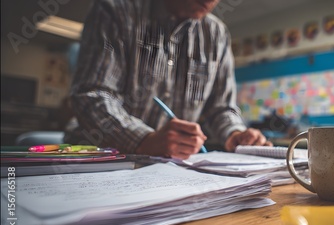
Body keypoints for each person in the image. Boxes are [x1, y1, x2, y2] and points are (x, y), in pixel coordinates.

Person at [65, 0, 271, 159]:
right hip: (100, 157)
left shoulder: (216, 34)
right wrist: (143, 139)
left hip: (170, 166)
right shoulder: (116, 10)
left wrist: (234, 133)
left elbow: (220, 108)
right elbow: (92, 94)